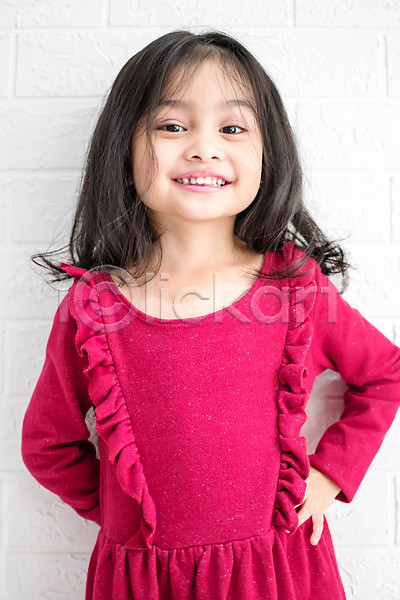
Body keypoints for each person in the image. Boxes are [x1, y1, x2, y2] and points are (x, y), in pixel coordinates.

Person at [20, 29, 400, 600]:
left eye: (232, 128)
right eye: (172, 126)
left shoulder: (295, 288)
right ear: (124, 150)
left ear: (267, 153)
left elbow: (387, 374)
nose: (203, 147)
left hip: (278, 572)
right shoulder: (93, 309)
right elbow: (47, 444)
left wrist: (330, 474)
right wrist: (125, 516)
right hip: (147, 581)